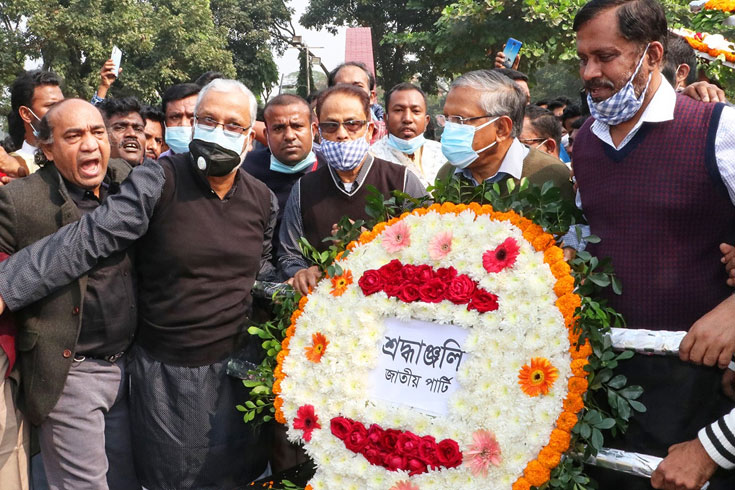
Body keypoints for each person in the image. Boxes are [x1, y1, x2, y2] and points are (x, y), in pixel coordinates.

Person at [0, 79, 277, 489]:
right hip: (167, 372)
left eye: (233, 125)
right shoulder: (158, 179)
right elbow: (90, 237)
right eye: (208, 120)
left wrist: (302, 284)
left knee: (239, 474)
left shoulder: (263, 198)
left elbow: (263, 271)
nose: (218, 132)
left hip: (236, 369)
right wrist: (8, 286)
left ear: (252, 138)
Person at [572, 1, 735, 488]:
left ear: (652, 54)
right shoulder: (584, 141)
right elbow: (589, 235)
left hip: (703, 393)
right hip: (605, 384)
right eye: (582, 59)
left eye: (606, 57)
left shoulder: (718, 130)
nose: (590, 72)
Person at [0, 98, 138, 490]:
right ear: (46, 148)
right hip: (70, 371)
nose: (90, 144)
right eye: (73, 136)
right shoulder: (19, 200)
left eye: (97, 132)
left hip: (130, 367)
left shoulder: (126, 181)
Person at [278, 84, 425, 295]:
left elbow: (429, 245)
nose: (341, 134)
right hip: (325, 305)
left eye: (352, 124)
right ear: (318, 132)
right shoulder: (303, 189)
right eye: (330, 126)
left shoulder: (401, 181)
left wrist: (373, 246)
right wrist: (302, 272)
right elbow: (289, 254)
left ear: (370, 131)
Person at [435, 70, 572, 200]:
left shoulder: (551, 176)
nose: (450, 127)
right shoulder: (447, 175)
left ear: (501, 128)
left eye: (460, 119)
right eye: (447, 118)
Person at [242, 93, 323, 261]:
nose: (289, 136)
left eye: (297, 126)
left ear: (313, 130)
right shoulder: (245, 171)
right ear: (266, 133)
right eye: (278, 128)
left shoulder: (331, 169)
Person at [369, 83, 446, 187]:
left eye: (416, 111)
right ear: (385, 119)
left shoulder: (443, 154)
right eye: (399, 110)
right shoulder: (372, 158)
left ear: (426, 121)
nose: (407, 119)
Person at [6, 70, 64, 175]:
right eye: (51, 106)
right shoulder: (9, 169)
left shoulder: (74, 156)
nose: (61, 112)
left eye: (63, 105)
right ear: (26, 114)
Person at [328, 62, 388, 143]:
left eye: (358, 87)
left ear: (371, 97)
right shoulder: (320, 135)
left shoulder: (389, 135)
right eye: (341, 88)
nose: (350, 93)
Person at [98, 97, 146, 166]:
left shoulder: (157, 174)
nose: (132, 133)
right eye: (120, 128)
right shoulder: (89, 175)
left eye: (138, 129)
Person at [159, 82, 200, 157]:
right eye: (175, 117)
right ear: (164, 123)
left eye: (192, 116)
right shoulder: (158, 165)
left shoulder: (220, 164)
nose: (184, 124)